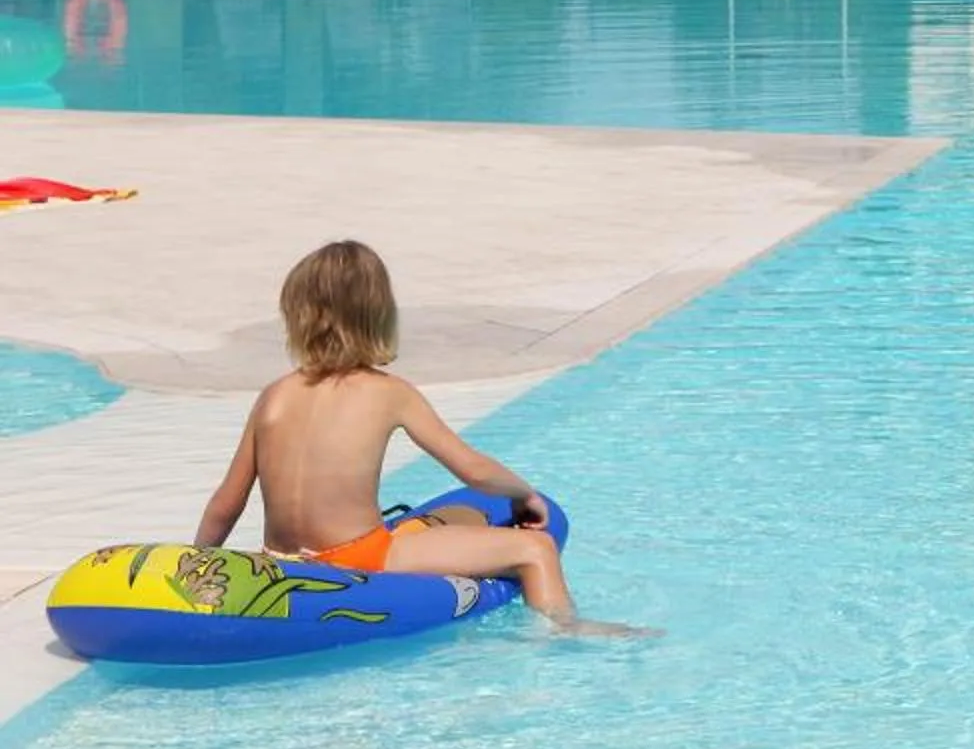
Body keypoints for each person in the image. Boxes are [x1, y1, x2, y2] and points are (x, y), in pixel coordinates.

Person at [193, 240, 644, 638]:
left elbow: (226, 503)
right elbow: (474, 470)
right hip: (358, 558)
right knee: (535, 549)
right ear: (379, 317)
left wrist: (199, 565)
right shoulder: (390, 393)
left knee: (457, 513)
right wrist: (525, 496)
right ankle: (565, 631)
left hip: (280, 557)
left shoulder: (274, 396)